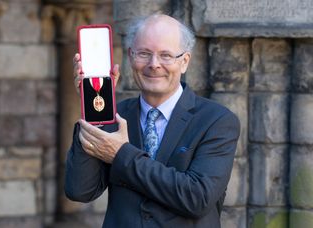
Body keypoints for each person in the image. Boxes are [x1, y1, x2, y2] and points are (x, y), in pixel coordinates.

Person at [65, 13, 240, 228]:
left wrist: (121, 154)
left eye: (166, 55)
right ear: (130, 57)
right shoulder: (114, 115)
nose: (154, 64)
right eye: (144, 53)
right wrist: (92, 109)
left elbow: (197, 198)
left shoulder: (217, 121)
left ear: (184, 62)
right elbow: (80, 190)